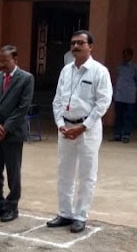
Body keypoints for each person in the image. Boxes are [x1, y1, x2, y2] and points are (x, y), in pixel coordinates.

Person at [47, 30, 112, 233]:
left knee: (86, 174)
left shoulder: (99, 71)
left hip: (87, 130)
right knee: (64, 172)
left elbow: (103, 102)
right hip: (65, 128)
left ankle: (80, 216)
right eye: (73, 43)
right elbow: (58, 100)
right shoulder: (66, 71)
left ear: (90, 47)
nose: (75, 46)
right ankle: (65, 213)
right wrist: (60, 124)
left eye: (80, 43)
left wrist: (83, 127)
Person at [0, 45, 35, 223]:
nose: (1, 64)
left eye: (5, 61)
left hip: (12, 133)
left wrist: (5, 127)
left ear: (15, 60)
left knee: (13, 171)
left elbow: (23, 107)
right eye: (0, 61)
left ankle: (12, 207)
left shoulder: (26, 79)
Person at [112, 47, 137, 143]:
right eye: (123, 55)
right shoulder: (119, 66)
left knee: (128, 117)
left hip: (129, 97)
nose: (125, 57)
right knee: (118, 116)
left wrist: (134, 89)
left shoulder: (135, 67)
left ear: (131, 56)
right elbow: (117, 79)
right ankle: (117, 134)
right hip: (119, 95)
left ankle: (126, 135)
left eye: (127, 55)